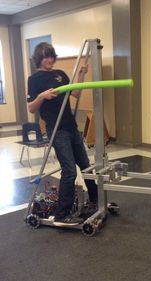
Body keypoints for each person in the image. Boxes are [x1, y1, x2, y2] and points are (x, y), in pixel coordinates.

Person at [27, 42, 98, 225]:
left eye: (51, 56)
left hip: (71, 126)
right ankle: (62, 214)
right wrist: (42, 96)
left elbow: (74, 93)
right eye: (45, 57)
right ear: (39, 59)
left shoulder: (60, 75)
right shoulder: (34, 79)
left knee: (85, 165)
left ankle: (95, 201)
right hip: (56, 129)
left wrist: (82, 74)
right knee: (69, 171)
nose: (49, 60)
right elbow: (31, 109)